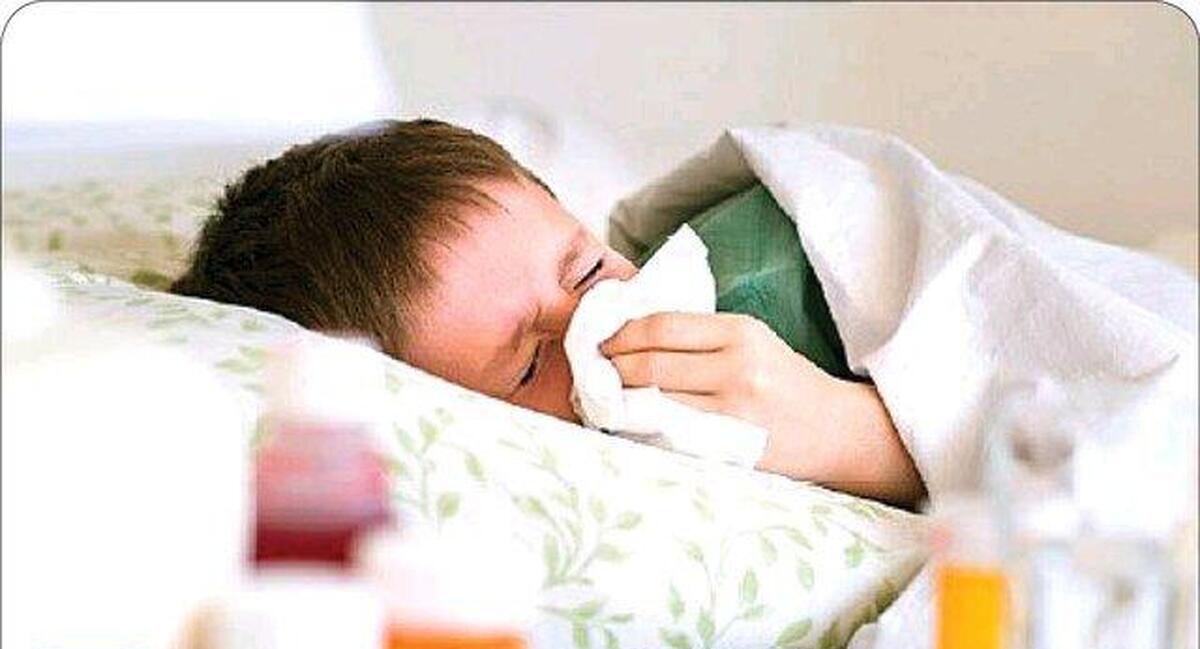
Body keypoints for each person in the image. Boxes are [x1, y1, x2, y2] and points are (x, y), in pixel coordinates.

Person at [174, 119, 924, 507]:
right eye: (531, 365)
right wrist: (855, 444)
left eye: (589, 269)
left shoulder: (771, 251)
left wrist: (850, 420)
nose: (597, 322)